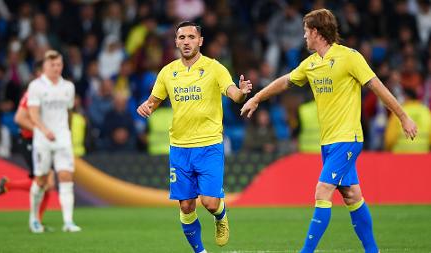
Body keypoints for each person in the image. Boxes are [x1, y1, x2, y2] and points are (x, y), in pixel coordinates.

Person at [241, 9, 417, 253]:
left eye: (305, 31)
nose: (303, 37)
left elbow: (377, 87)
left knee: (322, 191)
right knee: (352, 195)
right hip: (329, 142)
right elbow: (285, 81)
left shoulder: (349, 57)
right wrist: (257, 98)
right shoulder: (311, 64)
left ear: (315, 32)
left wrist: (403, 116)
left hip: (348, 138)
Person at [137, 21, 252, 253]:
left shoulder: (214, 67)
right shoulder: (168, 72)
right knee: (187, 206)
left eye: (191, 37)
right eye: (182, 38)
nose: (186, 41)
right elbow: (155, 100)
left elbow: (233, 93)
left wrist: (241, 93)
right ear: (176, 42)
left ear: (200, 41)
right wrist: (147, 106)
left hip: (209, 145)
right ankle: (200, 251)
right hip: (180, 148)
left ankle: (221, 216)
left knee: (209, 203)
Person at [0, 60, 55, 227]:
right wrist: (41, 131)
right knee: (44, 182)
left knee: (46, 183)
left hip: (41, 141)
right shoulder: (31, 94)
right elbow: (19, 118)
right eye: (49, 69)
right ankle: (35, 221)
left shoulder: (48, 93)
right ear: (39, 73)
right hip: (29, 140)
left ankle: (37, 221)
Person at [27, 50, 80, 233]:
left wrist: (68, 132)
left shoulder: (68, 87)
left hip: (62, 138)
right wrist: (44, 130)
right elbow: (32, 113)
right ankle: (34, 219)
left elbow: (69, 112)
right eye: (52, 65)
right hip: (43, 139)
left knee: (66, 176)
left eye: (59, 65)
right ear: (45, 66)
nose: (56, 68)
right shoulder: (36, 86)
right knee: (41, 179)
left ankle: (68, 222)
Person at [385, 88, 431, 153]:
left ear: (406, 97)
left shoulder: (398, 112)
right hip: (422, 154)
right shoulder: (425, 111)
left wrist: (387, 150)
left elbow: (389, 139)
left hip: (400, 155)